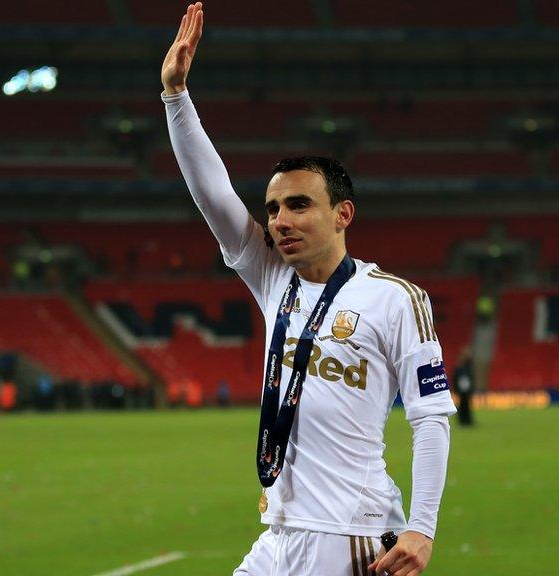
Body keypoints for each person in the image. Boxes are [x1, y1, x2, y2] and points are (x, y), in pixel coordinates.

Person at [161, 5, 457, 575]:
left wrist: (422, 528)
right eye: (272, 209)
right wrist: (176, 97)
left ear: (343, 214)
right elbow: (213, 193)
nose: (279, 221)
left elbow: (431, 416)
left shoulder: (395, 298)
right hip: (280, 529)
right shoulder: (272, 277)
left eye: (299, 205)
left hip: (348, 534)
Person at [452, 347, 475, 426]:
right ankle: (464, 420)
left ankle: (466, 420)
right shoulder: (461, 367)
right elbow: (456, 378)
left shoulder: (467, 366)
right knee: (463, 404)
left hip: (465, 389)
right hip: (462, 389)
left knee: (466, 404)